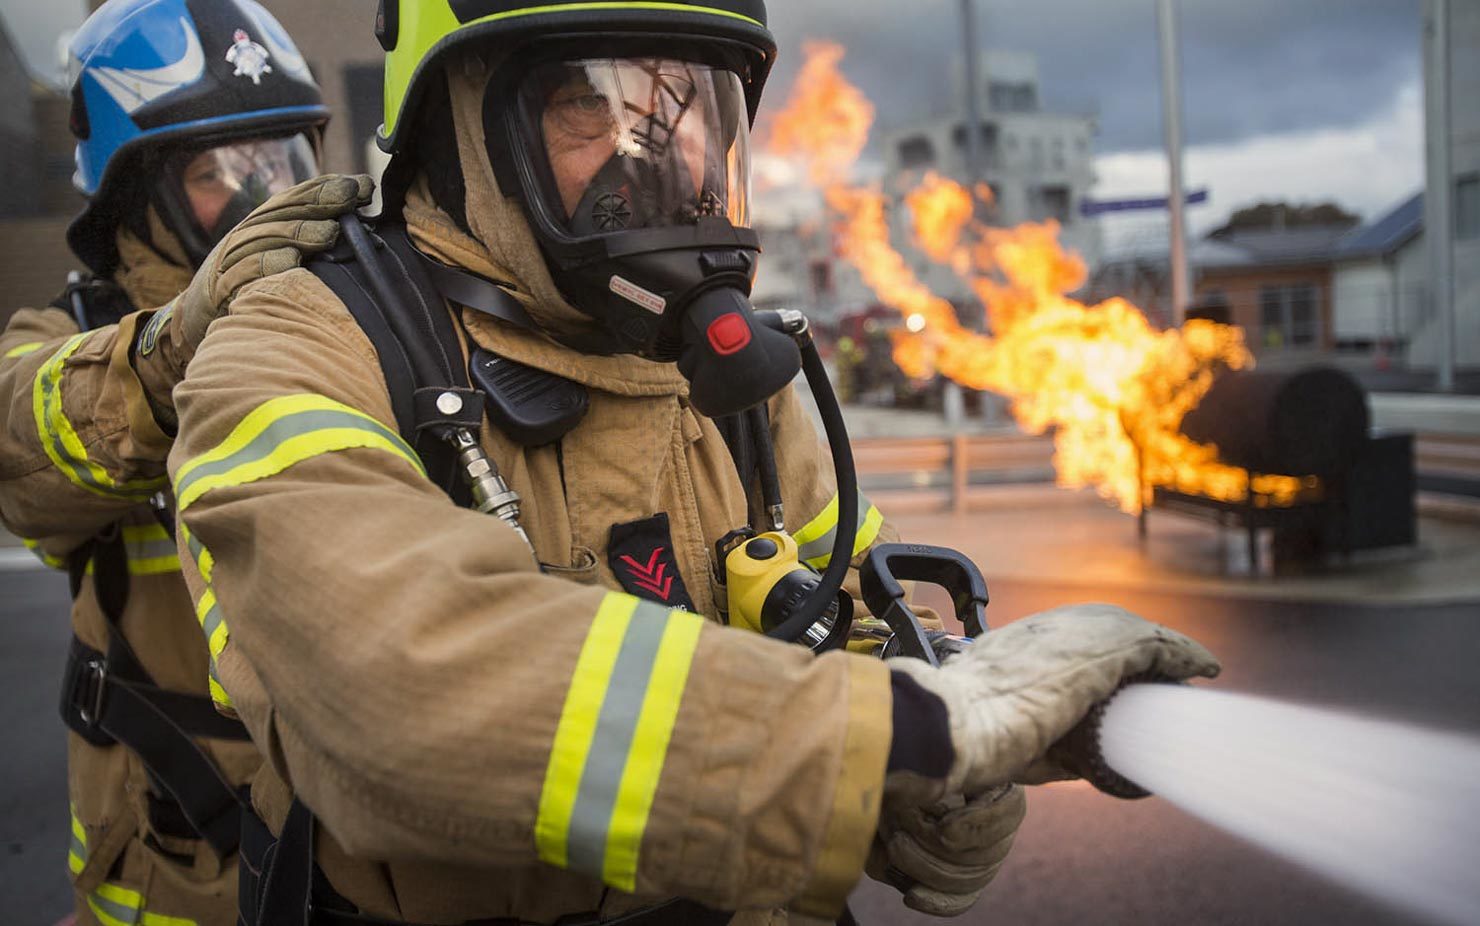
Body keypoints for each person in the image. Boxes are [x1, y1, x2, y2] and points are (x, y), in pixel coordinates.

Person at [163, 2, 1221, 924]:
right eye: (589, 102)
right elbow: (387, 692)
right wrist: (891, 733)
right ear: (457, 122)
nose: (657, 151)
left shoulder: (725, 372)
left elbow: (845, 619)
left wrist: (929, 782)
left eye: (690, 101)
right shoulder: (298, 343)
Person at [0, 2, 369, 923]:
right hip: (173, 864)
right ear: (135, 196)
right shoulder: (69, 339)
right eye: (218, 172)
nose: (264, 195)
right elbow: (18, 449)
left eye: (283, 158)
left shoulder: (352, 317)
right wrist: (172, 348)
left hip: (361, 853)